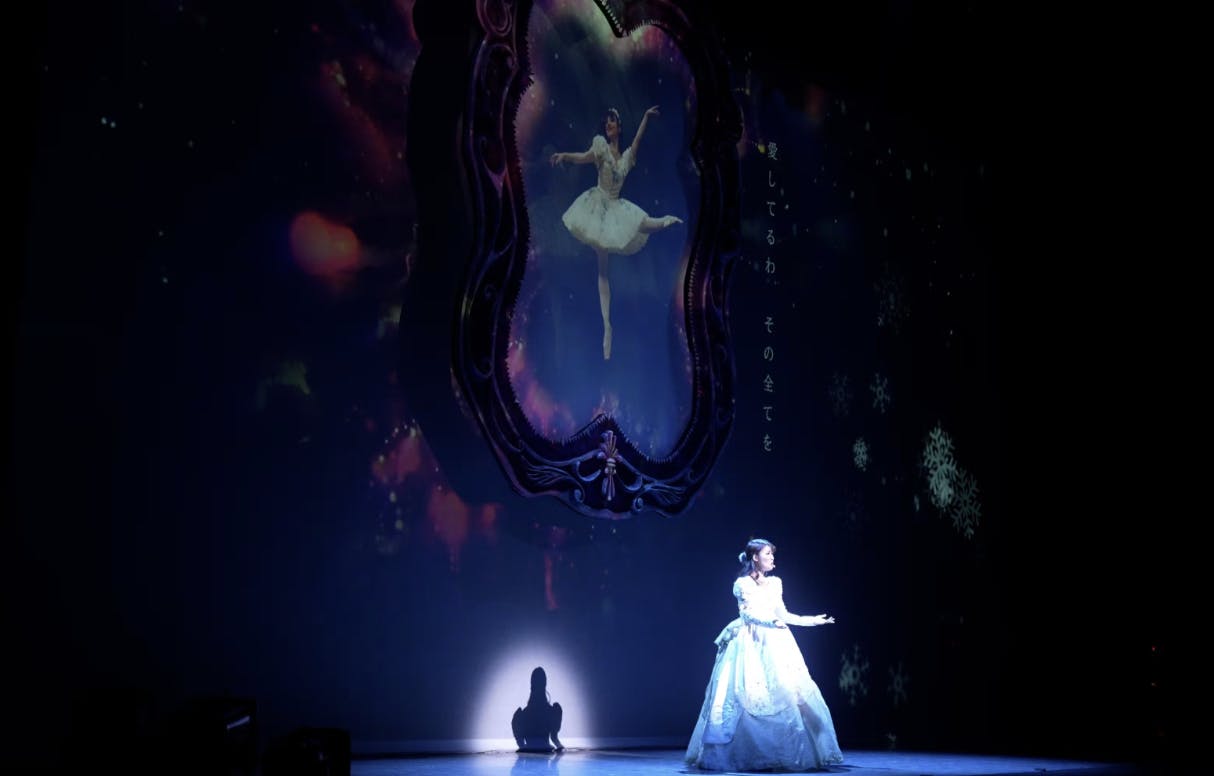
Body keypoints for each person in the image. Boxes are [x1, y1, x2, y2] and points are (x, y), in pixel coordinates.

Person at [685, 539, 845, 771]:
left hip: (777, 642)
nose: (772, 558)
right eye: (767, 554)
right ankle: (743, 756)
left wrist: (811, 621)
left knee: (788, 692)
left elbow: (783, 614)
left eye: (772, 554)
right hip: (750, 642)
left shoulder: (775, 583)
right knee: (747, 695)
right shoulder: (742, 584)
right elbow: (747, 614)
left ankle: (783, 754)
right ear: (755, 557)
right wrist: (771, 622)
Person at [549, 106, 683, 360]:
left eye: (612, 121)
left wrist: (645, 117)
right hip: (598, 206)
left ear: (619, 127)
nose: (608, 124)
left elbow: (638, 140)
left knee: (642, 223)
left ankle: (666, 221)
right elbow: (584, 156)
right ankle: (606, 326)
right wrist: (564, 155)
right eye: (606, 121)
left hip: (615, 207)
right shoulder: (600, 147)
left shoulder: (626, 158)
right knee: (602, 268)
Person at [512, 666, 564, 752]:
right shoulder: (552, 712)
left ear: (531, 684)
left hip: (528, 752)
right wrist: (560, 749)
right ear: (545, 684)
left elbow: (521, 744)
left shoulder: (521, 715)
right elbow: (554, 738)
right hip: (546, 751)